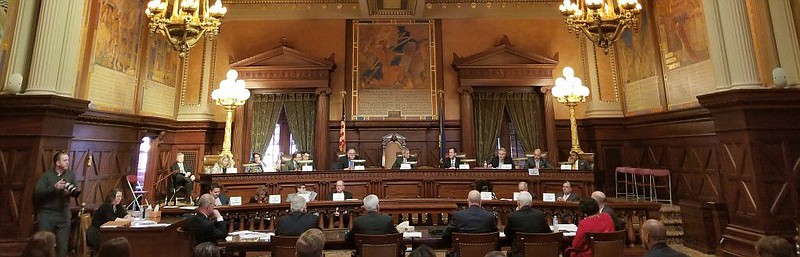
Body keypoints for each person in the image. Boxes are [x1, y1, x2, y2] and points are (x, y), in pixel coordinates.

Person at [34, 151, 76, 257]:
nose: (68, 162)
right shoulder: (46, 176)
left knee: (63, 247)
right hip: (47, 214)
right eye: (65, 160)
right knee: (43, 245)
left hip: (63, 213)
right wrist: (54, 188)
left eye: (68, 160)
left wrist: (69, 192)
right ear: (57, 163)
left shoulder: (70, 174)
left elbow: (75, 190)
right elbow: (38, 193)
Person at [505, 191, 551, 257]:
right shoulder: (540, 215)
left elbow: (507, 233)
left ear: (518, 203)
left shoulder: (513, 216)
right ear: (531, 203)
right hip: (537, 251)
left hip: (519, 253)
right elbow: (547, 232)